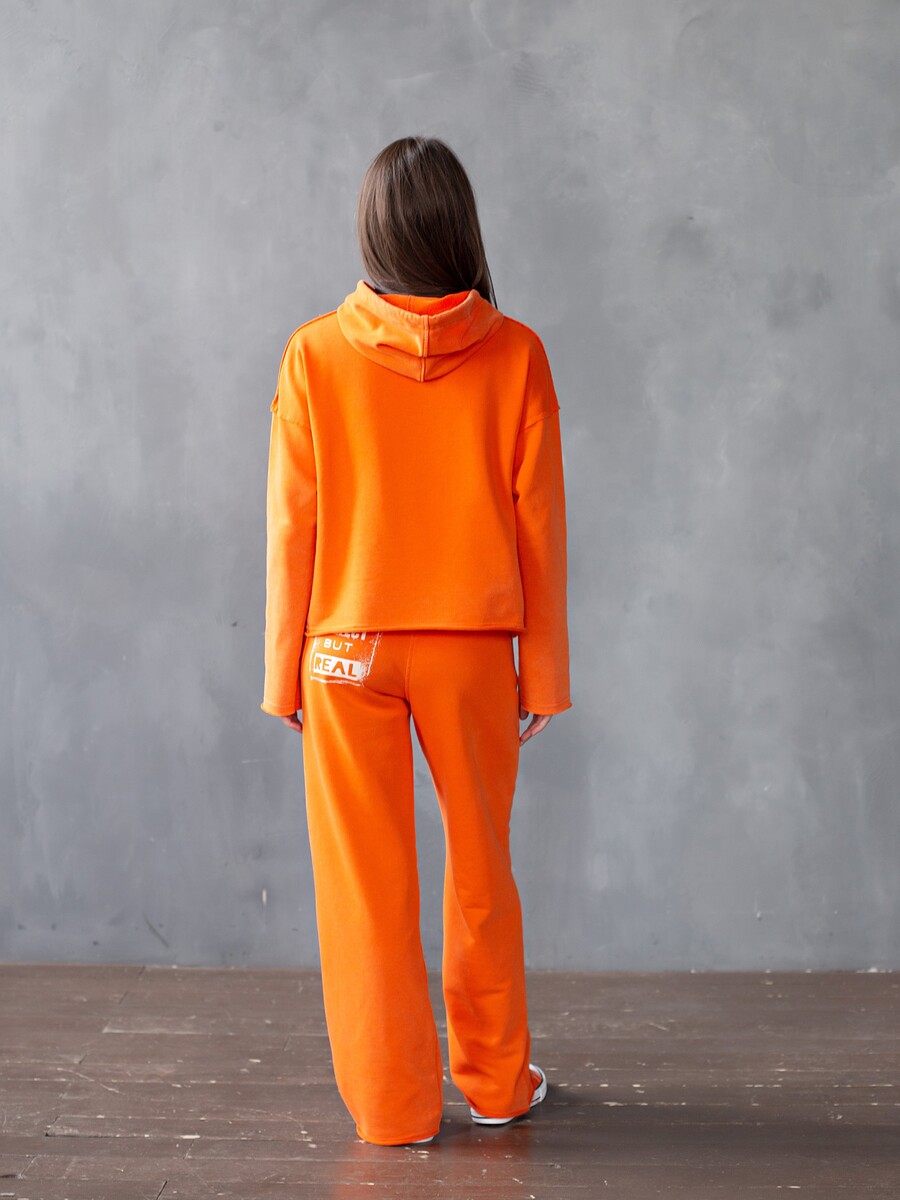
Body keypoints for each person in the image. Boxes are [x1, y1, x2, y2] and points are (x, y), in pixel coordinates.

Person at [260, 135, 572, 1147]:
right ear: (460, 229)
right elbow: (539, 526)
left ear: (373, 232)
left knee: (365, 884)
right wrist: (543, 672)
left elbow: (292, 524)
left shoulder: (313, 353)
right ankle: (496, 1085)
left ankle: (395, 1109)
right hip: (470, 648)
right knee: (481, 870)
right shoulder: (517, 353)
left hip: (342, 646)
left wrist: (282, 673)